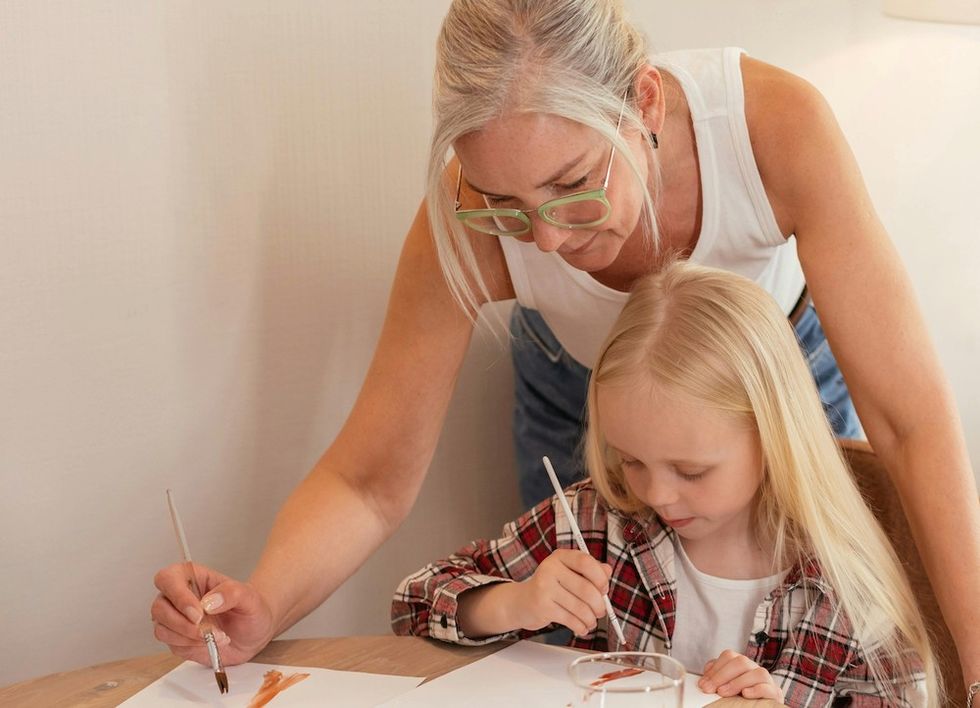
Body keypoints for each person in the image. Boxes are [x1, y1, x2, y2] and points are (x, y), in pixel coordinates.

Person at [150, 0, 979, 695]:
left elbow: (910, 429)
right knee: (591, 637)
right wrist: (262, 602)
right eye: (502, 203)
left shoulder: (773, 126)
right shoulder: (464, 216)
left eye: (573, 185)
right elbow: (369, 483)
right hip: (576, 386)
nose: (544, 239)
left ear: (645, 105)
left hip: (772, 380)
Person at [392, 261, 939, 707]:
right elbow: (412, 604)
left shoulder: (843, 585)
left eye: (691, 471)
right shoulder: (599, 521)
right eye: (630, 460)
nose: (655, 495)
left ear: (774, 436)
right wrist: (514, 604)